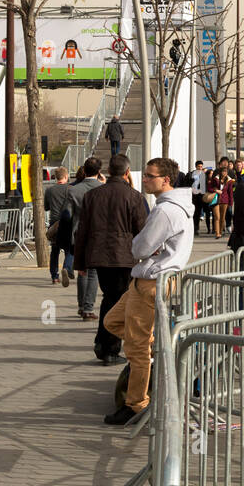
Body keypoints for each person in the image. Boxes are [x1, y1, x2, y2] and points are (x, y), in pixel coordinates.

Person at [103, 156, 194, 425]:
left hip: (152, 281)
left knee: (136, 348)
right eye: (144, 175)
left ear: (166, 179)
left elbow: (140, 248)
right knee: (112, 321)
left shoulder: (166, 211)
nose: (144, 180)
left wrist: (140, 245)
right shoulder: (171, 206)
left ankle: (135, 404)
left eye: (150, 176)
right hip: (147, 279)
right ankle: (160, 349)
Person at [72, 154, 149, 364]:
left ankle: (104, 344)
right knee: (118, 301)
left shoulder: (93, 196)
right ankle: (108, 348)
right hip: (124, 257)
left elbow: (82, 231)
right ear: (127, 172)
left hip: (99, 255)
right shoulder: (134, 196)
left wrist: (79, 263)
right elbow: (142, 230)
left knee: (110, 298)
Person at [68, 157, 105, 320]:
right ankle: (89, 308)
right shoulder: (103, 189)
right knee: (93, 272)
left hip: (78, 233)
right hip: (97, 234)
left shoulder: (73, 190)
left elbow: (67, 215)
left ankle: (81, 306)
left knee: (82, 270)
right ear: (99, 171)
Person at [43, 166, 74, 285]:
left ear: (56, 178)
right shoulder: (71, 189)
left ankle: (54, 276)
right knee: (69, 249)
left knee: (54, 251)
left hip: (54, 223)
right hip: (67, 222)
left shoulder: (49, 190)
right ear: (66, 176)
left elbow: (46, 207)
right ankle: (67, 268)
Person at [217, 161, 235, 239]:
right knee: (217, 216)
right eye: (223, 171)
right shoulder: (216, 179)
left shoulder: (229, 181)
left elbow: (230, 192)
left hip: (225, 200)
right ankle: (218, 231)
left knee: (222, 216)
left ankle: (220, 231)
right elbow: (211, 187)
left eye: (225, 172)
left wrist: (231, 202)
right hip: (216, 200)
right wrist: (215, 190)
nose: (224, 173)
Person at [190, 160, 207, 234]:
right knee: (192, 213)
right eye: (198, 166)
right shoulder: (191, 174)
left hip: (199, 196)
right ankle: (191, 228)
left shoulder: (203, 175)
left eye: (201, 166)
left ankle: (196, 229)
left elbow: (204, 186)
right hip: (192, 195)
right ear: (196, 167)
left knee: (197, 213)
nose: (200, 168)